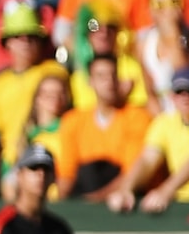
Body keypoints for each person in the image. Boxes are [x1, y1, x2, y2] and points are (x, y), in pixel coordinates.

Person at [107, 67, 189, 213]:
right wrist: (126, 189)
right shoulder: (165, 122)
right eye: (179, 91)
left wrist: (165, 191)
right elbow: (147, 160)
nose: (186, 96)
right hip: (181, 202)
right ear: (172, 96)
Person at [0, 4, 68, 177]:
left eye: (31, 36)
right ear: (7, 43)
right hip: (12, 166)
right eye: (18, 36)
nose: (25, 42)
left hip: (50, 158)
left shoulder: (53, 72)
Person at [54, 54, 153, 198]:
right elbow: (66, 173)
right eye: (101, 76)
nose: (109, 82)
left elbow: (132, 172)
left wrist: (96, 199)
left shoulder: (136, 117)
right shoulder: (73, 121)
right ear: (90, 82)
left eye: (113, 75)